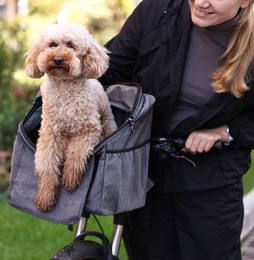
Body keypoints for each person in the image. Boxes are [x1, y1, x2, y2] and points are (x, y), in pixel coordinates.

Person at [98, 0, 254, 259]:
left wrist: (225, 131)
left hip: (211, 183)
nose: (202, 2)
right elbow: (110, 69)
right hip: (144, 175)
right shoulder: (158, 10)